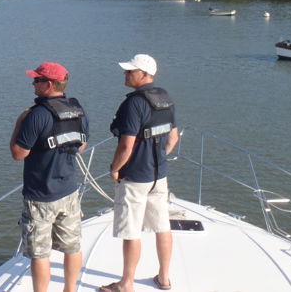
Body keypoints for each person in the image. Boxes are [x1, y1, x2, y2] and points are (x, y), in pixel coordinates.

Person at [101, 54, 179, 292]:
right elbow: (173, 137)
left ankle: (126, 284)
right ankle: (164, 277)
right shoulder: (164, 97)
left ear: (144, 74)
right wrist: (159, 160)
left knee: (131, 230)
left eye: (130, 71)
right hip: (159, 175)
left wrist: (114, 169)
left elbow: (126, 145)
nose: (125, 74)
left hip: (135, 176)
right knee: (162, 225)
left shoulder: (134, 103)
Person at [10, 61, 89, 292]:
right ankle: (70, 289)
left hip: (40, 195)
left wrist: (18, 123)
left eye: (37, 80)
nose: (32, 83)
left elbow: (18, 153)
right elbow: (82, 146)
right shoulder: (77, 110)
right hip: (69, 191)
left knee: (40, 254)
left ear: (50, 84)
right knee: (72, 247)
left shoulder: (36, 115)